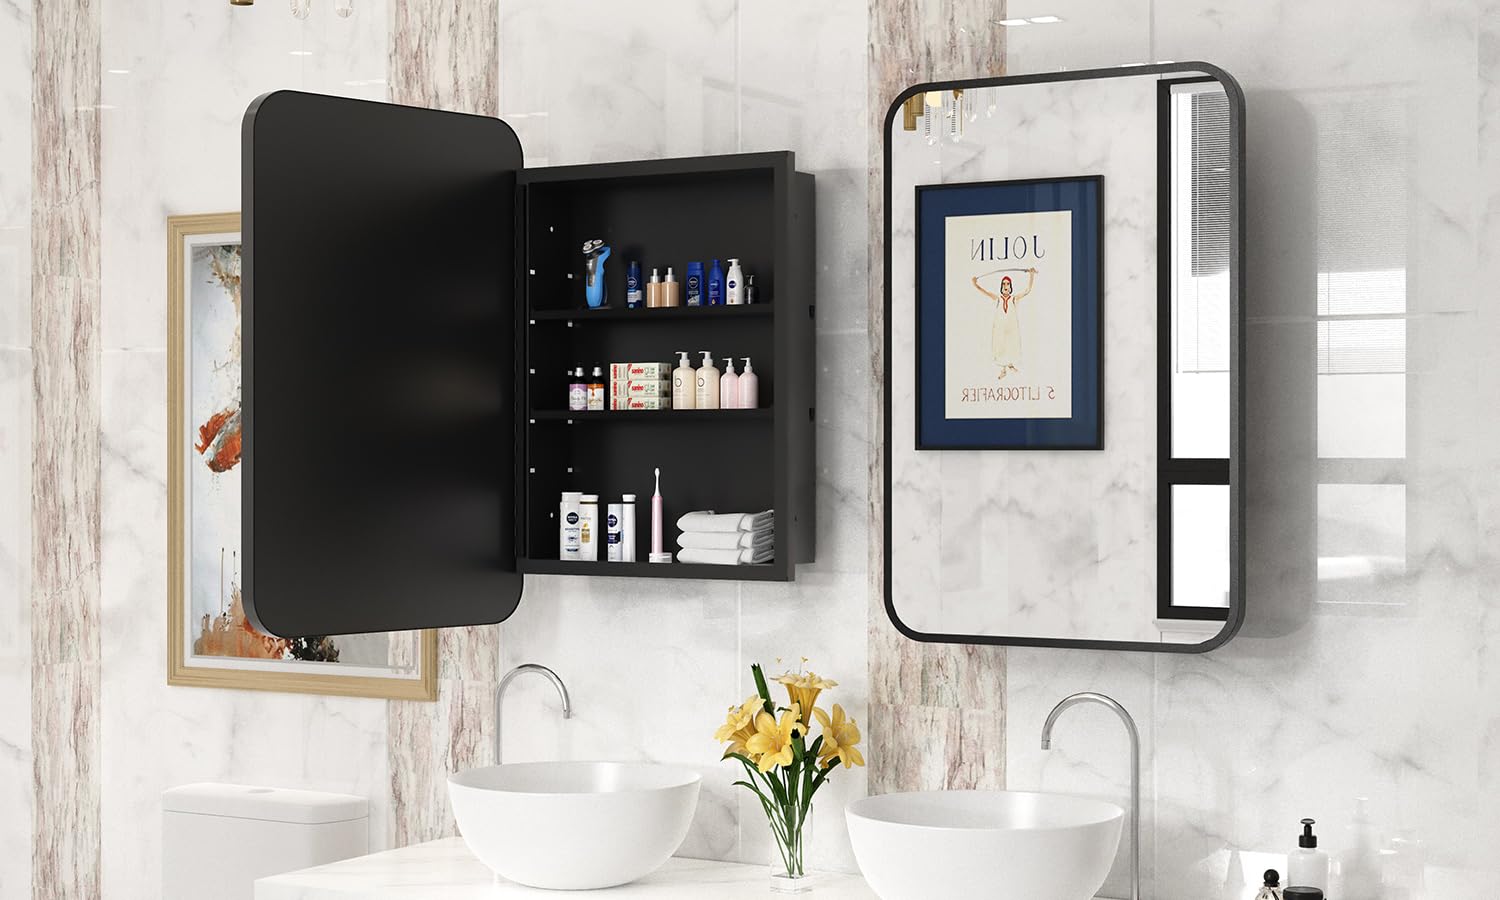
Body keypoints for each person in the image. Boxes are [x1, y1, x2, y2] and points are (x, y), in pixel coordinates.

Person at [970, 267, 1037, 380]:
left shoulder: (1014, 298)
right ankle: (1003, 369)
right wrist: (975, 284)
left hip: (1011, 326)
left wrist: (1031, 275)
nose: (1006, 286)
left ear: (1010, 287)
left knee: (1011, 344)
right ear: (1002, 287)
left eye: (1008, 284)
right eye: (1004, 284)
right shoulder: (998, 298)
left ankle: (1010, 365)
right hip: (1000, 327)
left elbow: (1027, 290)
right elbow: (985, 292)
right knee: (1001, 345)